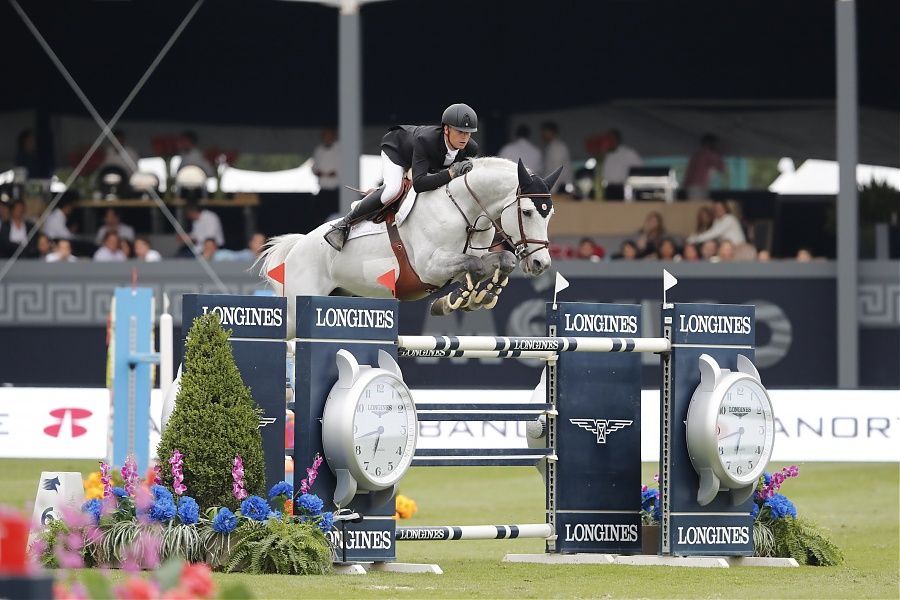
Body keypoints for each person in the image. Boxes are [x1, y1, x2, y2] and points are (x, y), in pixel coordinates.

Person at [325, 103, 480, 251]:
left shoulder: (470, 148)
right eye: (460, 132)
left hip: (423, 160)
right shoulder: (426, 140)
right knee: (393, 190)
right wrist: (451, 173)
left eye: (468, 133)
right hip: (397, 150)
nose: (465, 138)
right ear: (446, 129)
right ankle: (342, 225)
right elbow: (419, 184)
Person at [601, 129, 642, 200]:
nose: (608, 141)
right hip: (607, 189)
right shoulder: (605, 155)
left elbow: (640, 166)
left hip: (621, 188)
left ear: (617, 140)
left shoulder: (627, 153)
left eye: (610, 139)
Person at [683, 133, 727, 200]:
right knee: (700, 206)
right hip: (698, 187)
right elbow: (722, 168)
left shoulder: (697, 154)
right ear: (709, 143)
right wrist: (719, 154)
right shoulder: (708, 153)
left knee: (697, 206)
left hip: (693, 185)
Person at [540, 121, 571, 193]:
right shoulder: (551, 147)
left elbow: (557, 170)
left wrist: (551, 190)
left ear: (550, 132)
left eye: (544, 132)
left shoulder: (557, 147)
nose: (542, 135)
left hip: (558, 188)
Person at [311, 128, 340, 206]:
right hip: (323, 188)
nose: (327, 138)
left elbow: (345, 167)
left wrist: (336, 172)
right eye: (325, 136)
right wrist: (317, 172)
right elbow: (314, 167)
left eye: (329, 136)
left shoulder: (340, 148)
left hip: (337, 189)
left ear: (333, 136)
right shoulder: (319, 149)